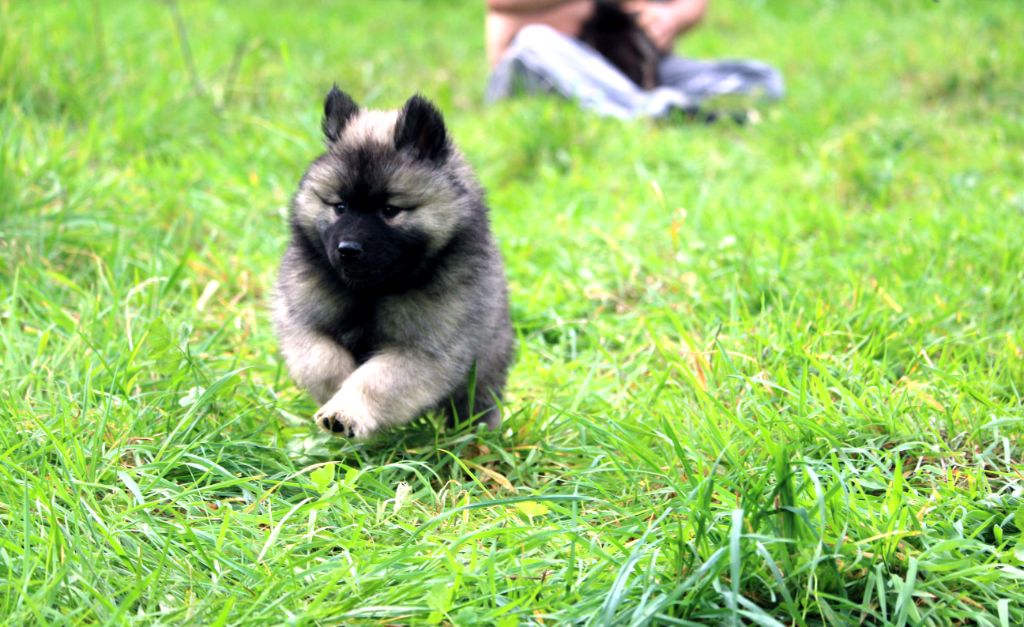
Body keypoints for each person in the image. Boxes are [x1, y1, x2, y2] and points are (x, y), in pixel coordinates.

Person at [485, 0, 784, 119]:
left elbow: (694, 5)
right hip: (537, 76)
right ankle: (650, 110)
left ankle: (656, 107)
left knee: (761, 79)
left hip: (633, 75)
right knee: (533, 41)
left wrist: (670, 17)